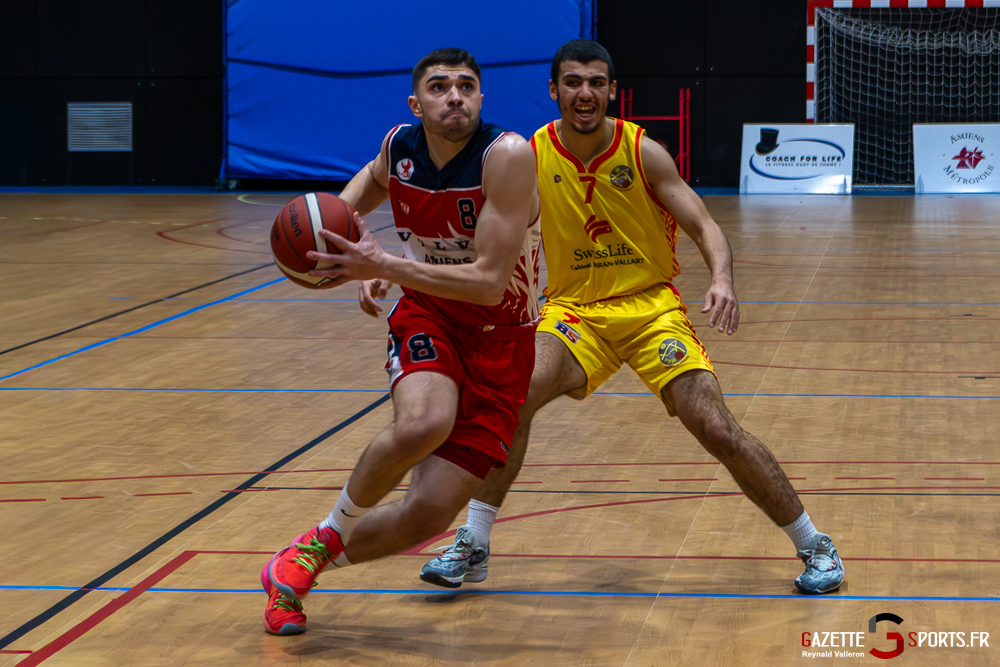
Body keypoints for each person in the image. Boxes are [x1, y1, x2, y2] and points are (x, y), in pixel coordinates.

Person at [418, 39, 844, 595]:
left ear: (612, 91)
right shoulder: (528, 155)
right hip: (574, 313)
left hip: (651, 310)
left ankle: (815, 544)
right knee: (514, 397)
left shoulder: (643, 151)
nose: (585, 92)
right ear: (554, 91)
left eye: (596, 82)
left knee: (714, 425)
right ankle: (473, 543)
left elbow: (705, 224)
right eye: (573, 82)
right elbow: (465, 221)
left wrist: (721, 278)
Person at [261, 47, 541, 635]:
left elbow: (491, 284)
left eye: (466, 86)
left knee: (428, 516)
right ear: (417, 104)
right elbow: (361, 187)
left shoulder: (507, 155)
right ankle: (321, 543)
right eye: (439, 87)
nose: (455, 96)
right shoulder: (400, 149)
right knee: (424, 423)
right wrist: (338, 243)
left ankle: (300, 564)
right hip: (431, 315)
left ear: (482, 99)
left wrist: (383, 264)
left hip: (504, 336)